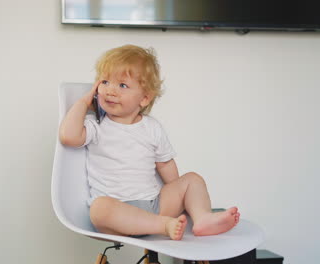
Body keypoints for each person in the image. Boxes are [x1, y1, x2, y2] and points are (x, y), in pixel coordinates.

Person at [59, 45, 239, 240]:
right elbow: (68, 137)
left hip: (155, 205)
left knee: (192, 179)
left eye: (122, 85)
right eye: (105, 81)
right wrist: (83, 102)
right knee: (99, 209)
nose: (110, 90)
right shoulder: (96, 125)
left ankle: (203, 218)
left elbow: (165, 164)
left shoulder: (152, 128)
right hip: (118, 212)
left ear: (144, 98)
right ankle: (164, 225)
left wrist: (180, 195)